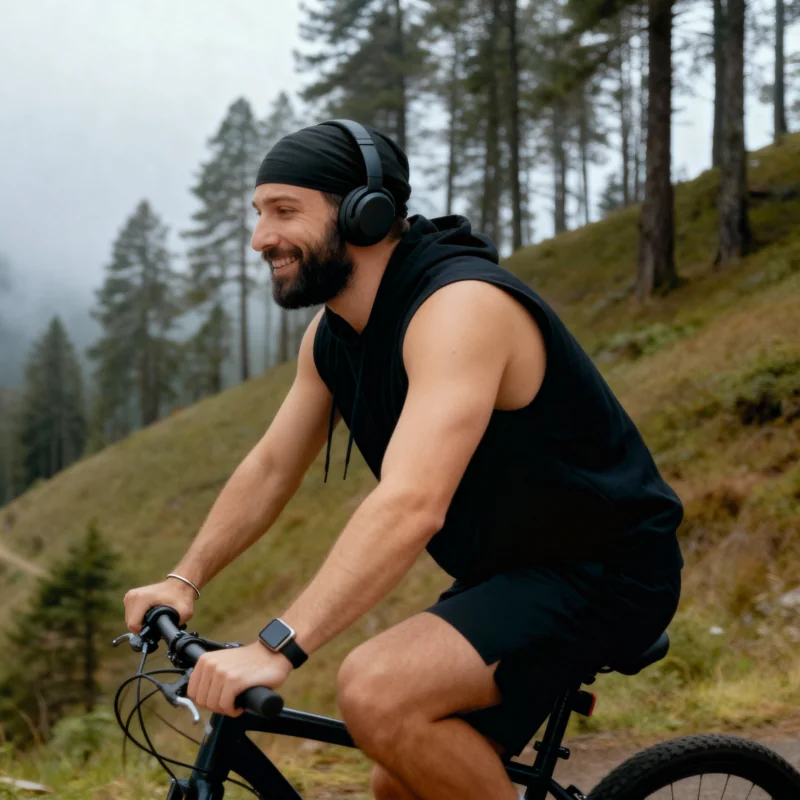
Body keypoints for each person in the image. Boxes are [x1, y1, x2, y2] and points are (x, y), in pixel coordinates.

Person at [124, 120, 683, 800]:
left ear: (364, 213)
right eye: (258, 213)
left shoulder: (460, 309)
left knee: (377, 691)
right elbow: (271, 467)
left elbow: (412, 503)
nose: (260, 238)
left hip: (606, 569)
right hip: (509, 573)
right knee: (401, 782)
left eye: (285, 211)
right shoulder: (334, 336)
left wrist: (275, 647)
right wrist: (184, 579)